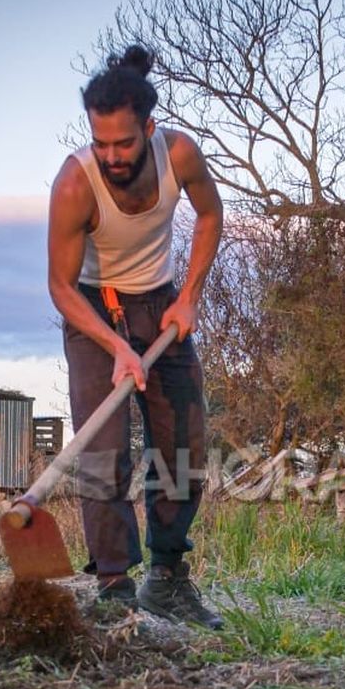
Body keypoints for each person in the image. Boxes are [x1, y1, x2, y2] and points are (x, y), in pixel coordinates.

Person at [47, 45, 224, 629]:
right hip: (95, 310)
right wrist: (115, 345)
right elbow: (61, 287)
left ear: (148, 129)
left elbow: (209, 215)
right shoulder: (75, 184)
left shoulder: (179, 155)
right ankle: (115, 587)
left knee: (184, 447)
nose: (112, 156)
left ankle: (168, 578)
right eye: (101, 143)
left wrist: (189, 296)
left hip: (162, 302)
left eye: (123, 144)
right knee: (103, 453)